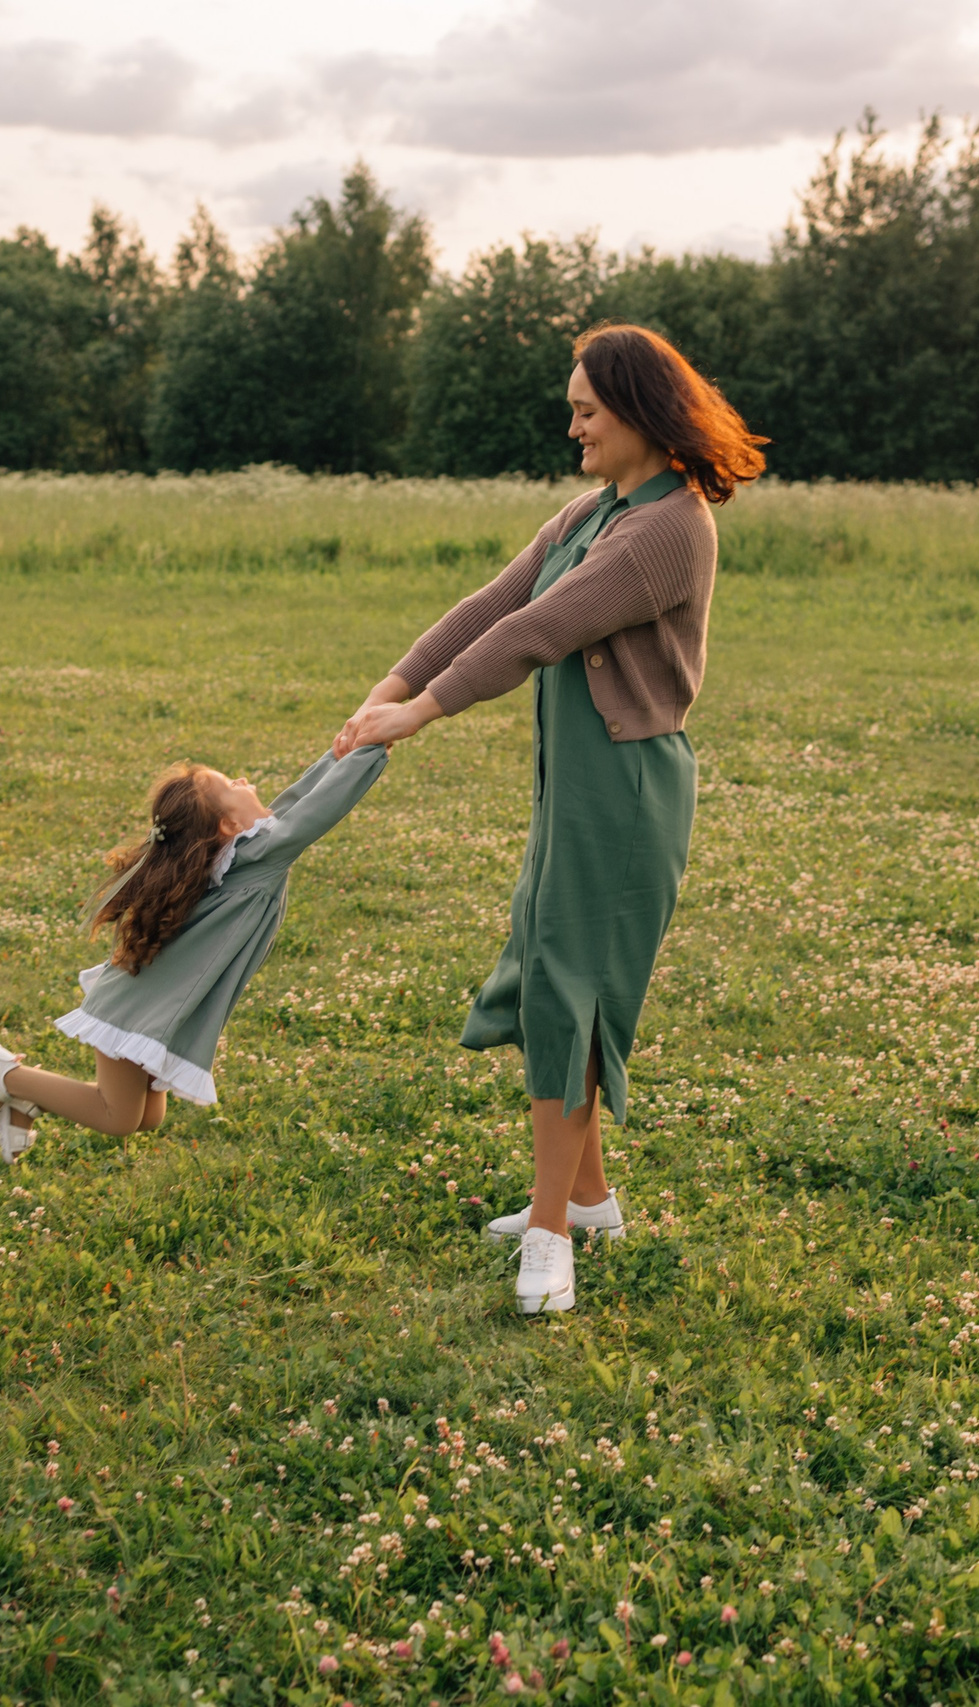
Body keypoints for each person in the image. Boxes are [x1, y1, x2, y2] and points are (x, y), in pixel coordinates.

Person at [333, 323, 766, 1314]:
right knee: (546, 971)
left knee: (570, 991)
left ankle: (548, 1230)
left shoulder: (669, 527)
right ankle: (590, 1200)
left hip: (624, 793)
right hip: (572, 786)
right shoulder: (594, 510)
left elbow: (542, 629)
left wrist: (425, 711)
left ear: (640, 414)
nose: (571, 427)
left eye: (586, 411)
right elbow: (494, 601)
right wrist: (389, 688)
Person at [0, 745, 389, 1162]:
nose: (242, 780)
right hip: (136, 1009)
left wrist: (340, 753)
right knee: (119, 1117)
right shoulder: (259, 855)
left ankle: (22, 1098)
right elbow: (315, 812)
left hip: (152, 1005)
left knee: (148, 1117)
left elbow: (296, 804)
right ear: (228, 825)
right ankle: (2, 1072)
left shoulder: (244, 850)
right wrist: (370, 751)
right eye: (231, 784)